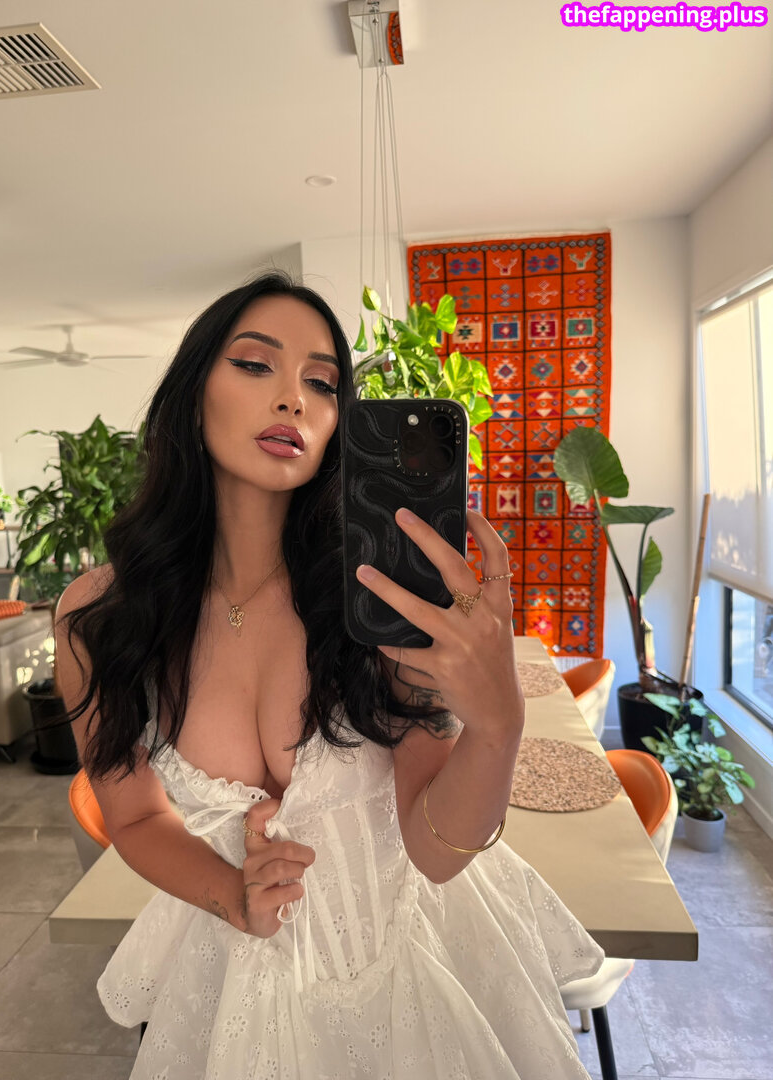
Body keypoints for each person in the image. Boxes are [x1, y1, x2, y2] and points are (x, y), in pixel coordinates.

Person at [56, 271, 604, 1080]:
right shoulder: (101, 617)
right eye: (255, 365)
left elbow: (436, 852)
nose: (294, 399)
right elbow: (133, 816)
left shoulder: (380, 596)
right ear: (191, 395)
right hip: (238, 974)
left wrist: (498, 725)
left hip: (418, 964)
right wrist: (231, 893)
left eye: (321, 383)